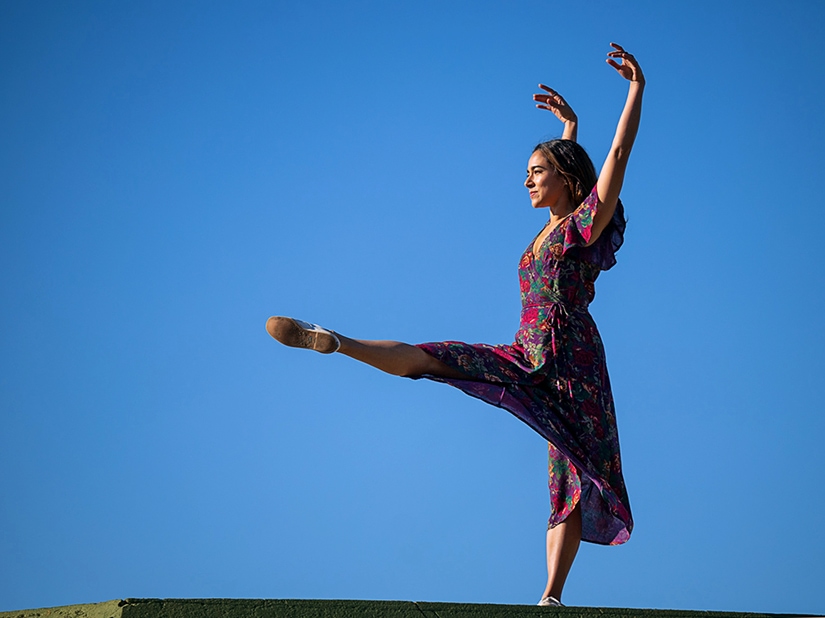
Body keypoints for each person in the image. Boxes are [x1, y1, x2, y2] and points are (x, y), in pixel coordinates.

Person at [266, 43, 644, 607]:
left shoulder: (582, 226)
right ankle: (336, 341)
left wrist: (636, 91)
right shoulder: (549, 231)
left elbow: (615, 154)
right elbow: (583, 161)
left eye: (536, 173)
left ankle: (550, 596)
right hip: (535, 352)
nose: (527, 182)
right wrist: (567, 127)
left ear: (564, 179)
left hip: (566, 362)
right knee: (553, 456)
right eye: (527, 173)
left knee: (563, 469)